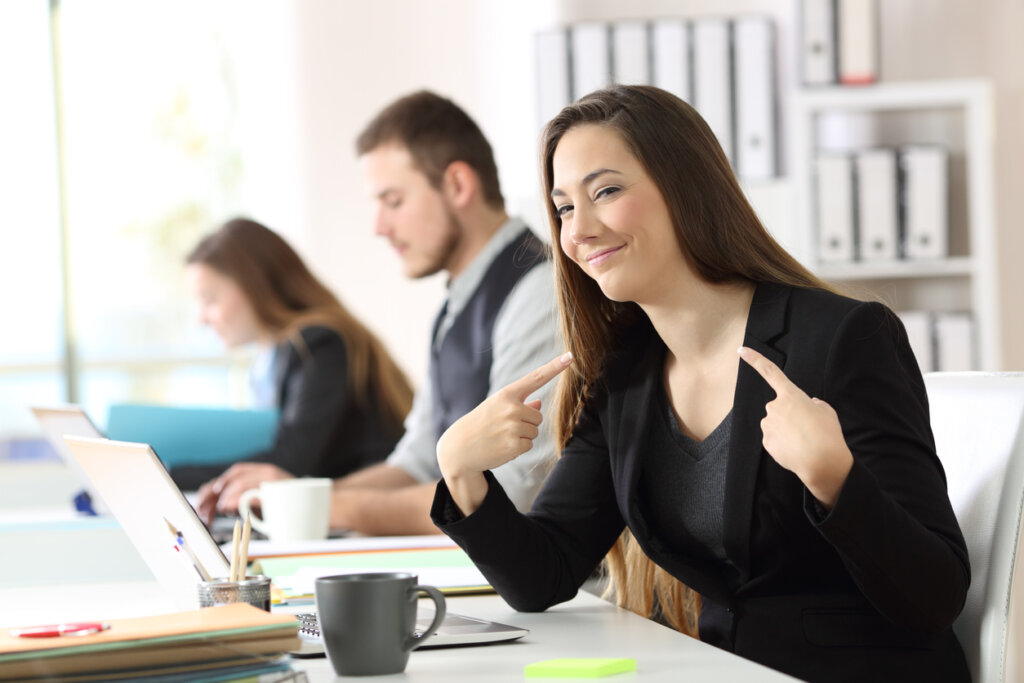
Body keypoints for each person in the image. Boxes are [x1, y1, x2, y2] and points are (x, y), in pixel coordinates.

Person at [429, 85, 971, 683]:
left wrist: (833, 479)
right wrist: (460, 470)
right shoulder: (625, 374)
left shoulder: (843, 338)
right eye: (563, 208)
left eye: (605, 191)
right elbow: (543, 574)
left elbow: (935, 597)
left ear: (684, 187)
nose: (577, 231)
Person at [197, 91, 561, 536]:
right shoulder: (456, 305)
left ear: (458, 186)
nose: (378, 227)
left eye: (392, 201)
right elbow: (418, 460)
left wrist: (331, 510)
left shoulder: (537, 293)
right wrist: (305, 500)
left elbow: (512, 495)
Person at [173, 217, 413, 491]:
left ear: (255, 284)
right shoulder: (271, 357)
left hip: (374, 509)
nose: (201, 319)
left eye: (210, 299)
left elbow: (287, 462)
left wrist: (166, 474)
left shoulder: (319, 344)